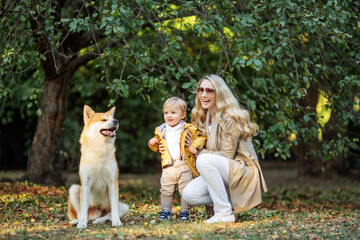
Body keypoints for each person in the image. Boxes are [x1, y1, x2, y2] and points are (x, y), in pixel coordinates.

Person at [182, 74, 267, 223]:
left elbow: (226, 155)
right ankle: (227, 200)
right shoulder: (205, 115)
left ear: (219, 93)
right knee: (189, 194)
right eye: (201, 90)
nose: (203, 95)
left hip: (242, 170)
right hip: (223, 171)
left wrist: (198, 152)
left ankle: (224, 213)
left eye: (210, 90)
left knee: (203, 159)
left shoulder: (230, 117)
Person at [148, 97, 206, 221]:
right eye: (166, 112)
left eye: (173, 113)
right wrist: (153, 143)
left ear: (183, 115)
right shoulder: (162, 130)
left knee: (184, 190)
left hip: (184, 164)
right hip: (168, 166)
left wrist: (194, 147)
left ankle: (185, 213)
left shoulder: (188, 128)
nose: (169, 115)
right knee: (165, 190)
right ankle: (165, 211)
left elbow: (201, 137)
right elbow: (158, 146)